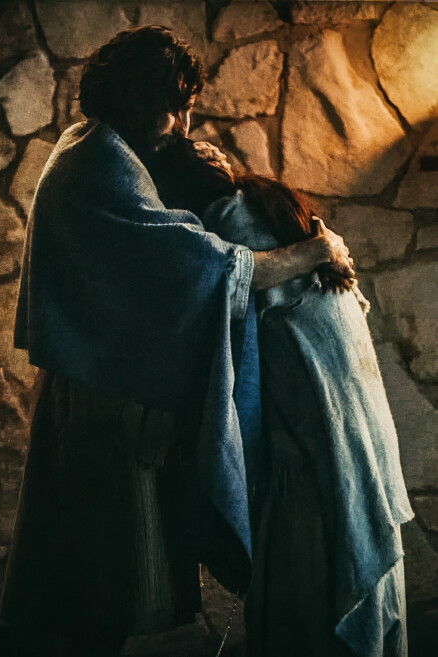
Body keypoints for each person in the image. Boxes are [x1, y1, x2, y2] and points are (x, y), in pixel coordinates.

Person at [0, 27, 353, 657]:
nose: (185, 124)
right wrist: (315, 251)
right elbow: (206, 268)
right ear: (140, 100)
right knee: (99, 590)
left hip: (93, 394)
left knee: (91, 583)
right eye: (175, 107)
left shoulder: (86, 143)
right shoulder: (103, 165)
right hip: (103, 410)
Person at [146, 135, 413, 657]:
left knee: (310, 619)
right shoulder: (279, 213)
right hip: (361, 454)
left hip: (311, 471)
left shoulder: (225, 233)